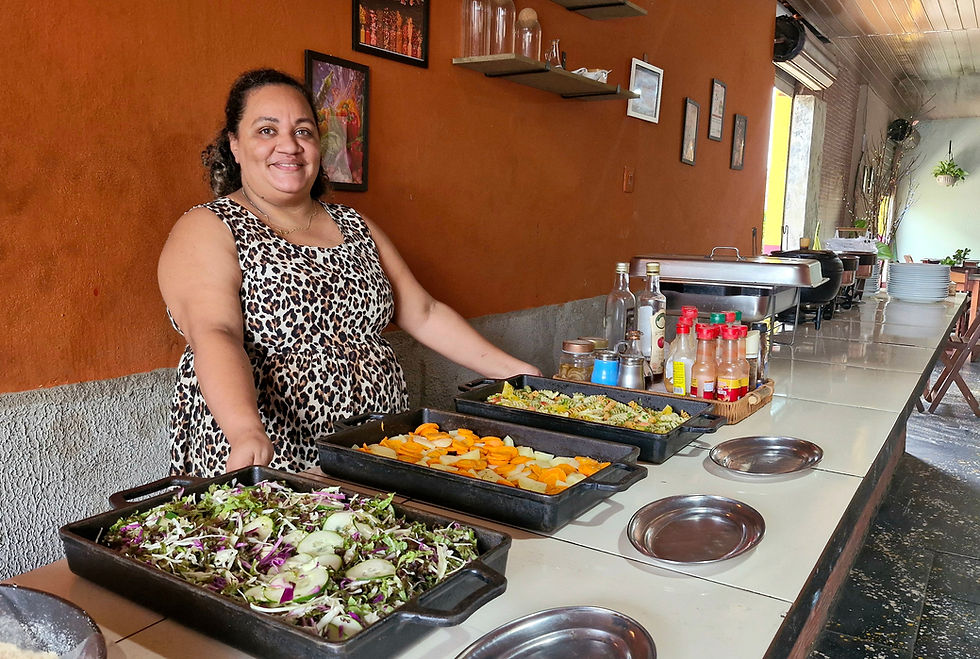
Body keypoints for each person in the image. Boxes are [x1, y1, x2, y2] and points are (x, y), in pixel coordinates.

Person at [158, 69, 540, 478]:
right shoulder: (209, 227)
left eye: (302, 131)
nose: (288, 145)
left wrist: (518, 376)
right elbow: (215, 333)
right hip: (271, 448)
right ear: (234, 144)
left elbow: (423, 312)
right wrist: (244, 429)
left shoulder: (354, 224)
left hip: (371, 442)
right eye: (266, 130)